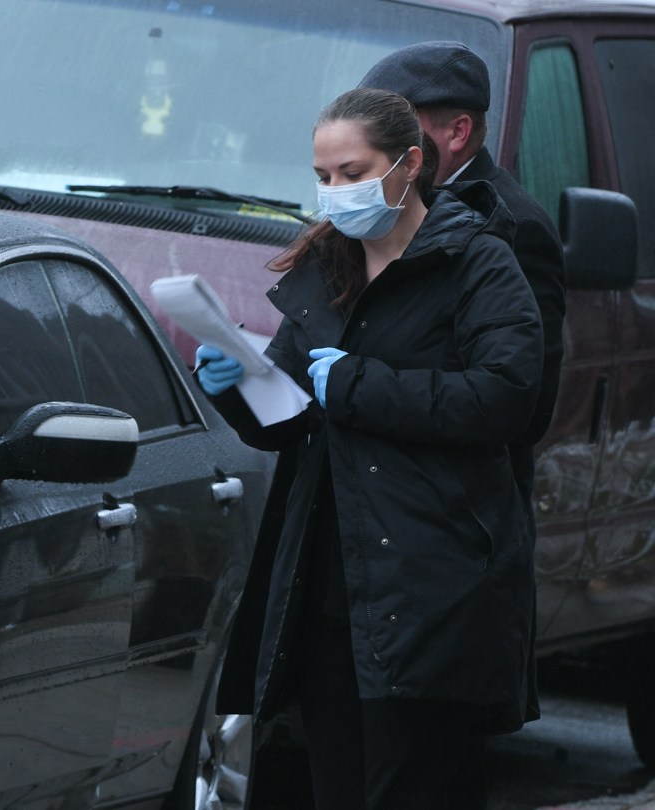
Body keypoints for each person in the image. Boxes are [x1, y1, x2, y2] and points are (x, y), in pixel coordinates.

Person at [197, 87, 543, 809]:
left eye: (353, 173)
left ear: (410, 163)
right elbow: (294, 417)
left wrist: (357, 385)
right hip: (327, 586)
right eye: (323, 177)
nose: (335, 193)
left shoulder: (477, 263)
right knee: (330, 784)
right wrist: (237, 383)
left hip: (430, 588)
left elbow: (506, 397)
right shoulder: (328, 270)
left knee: (410, 786)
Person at [358, 40, 566, 509]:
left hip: (460, 519)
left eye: (393, 126)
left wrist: (364, 388)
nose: (372, 142)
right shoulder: (386, 205)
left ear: (457, 133)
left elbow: (522, 405)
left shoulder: (515, 226)